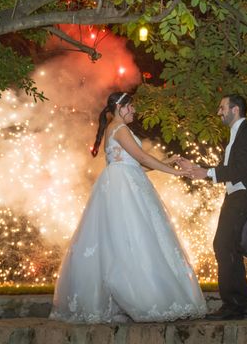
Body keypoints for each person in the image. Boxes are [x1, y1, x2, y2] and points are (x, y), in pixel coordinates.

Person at [50, 91, 206, 323]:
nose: (134, 111)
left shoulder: (115, 129)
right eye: (130, 107)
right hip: (123, 190)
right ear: (120, 107)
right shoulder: (120, 129)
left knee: (129, 238)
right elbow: (142, 157)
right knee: (133, 238)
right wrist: (176, 172)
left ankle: (130, 298)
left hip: (125, 182)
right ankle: (143, 297)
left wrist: (166, 162)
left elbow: (135, 166)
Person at [180, 94, 247, 320]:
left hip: (243, 196)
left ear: (235, 109)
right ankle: (243, 307)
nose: (219, 112)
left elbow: (240, 169)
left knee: (223, 245)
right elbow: (228, 169)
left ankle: (233, 306)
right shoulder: (234, 135)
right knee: (228, 248)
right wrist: (200, 169)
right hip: (234, 196)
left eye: (222, 108)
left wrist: (206, 172)